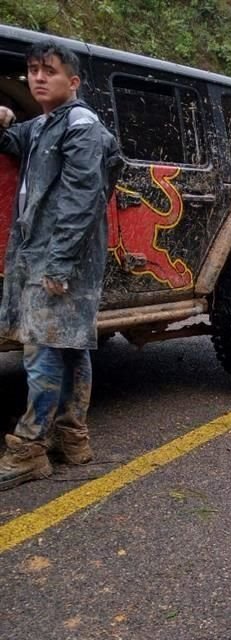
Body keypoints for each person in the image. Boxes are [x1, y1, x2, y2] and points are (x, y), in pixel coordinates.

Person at [0, 41, 120, 490]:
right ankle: (72, 440)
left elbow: (81, 199)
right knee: (70, 346)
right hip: (57, 256)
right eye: (32, 70)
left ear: (73, 82)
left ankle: (30, 447)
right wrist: (7, 120)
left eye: (48, 71)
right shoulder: (45, 124)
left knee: (42, 347)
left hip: (60, 257)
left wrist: (58, 264)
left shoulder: (80, 125)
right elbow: (15, 142)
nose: (37, 78)